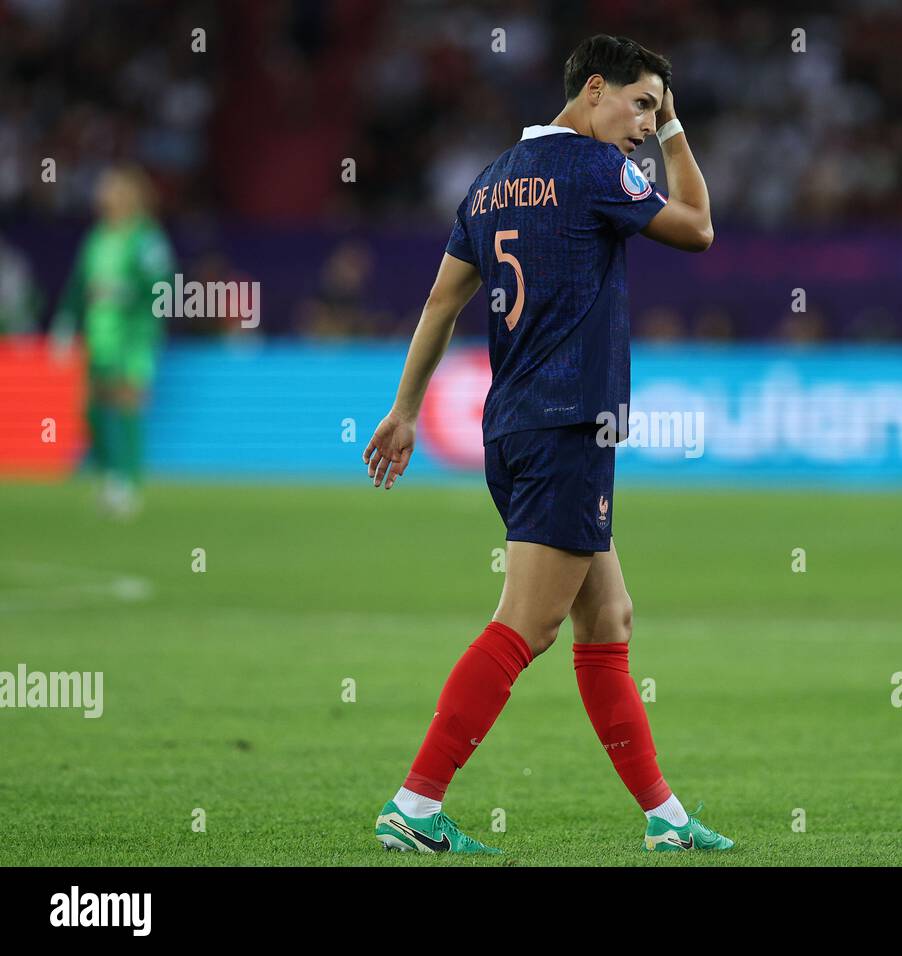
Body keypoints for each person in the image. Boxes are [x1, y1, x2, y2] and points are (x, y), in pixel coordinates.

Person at [363, 35, 732, 854]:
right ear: (593, 89)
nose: (646, 124)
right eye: (642, 103)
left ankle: (666, 820)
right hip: (569, 425)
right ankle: (415, 804)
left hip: (515, 427)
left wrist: (404, 409)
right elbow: (700, 228)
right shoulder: (596, 172)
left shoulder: (491, 182)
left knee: (609, 617)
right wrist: (679, 133)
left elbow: (438, 303)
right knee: (526, 626)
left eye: (657, 111)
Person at [52, 165, 175, 518]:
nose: (101, 194)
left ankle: (128, 483)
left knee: (127, 400)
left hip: (134, 335)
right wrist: (65, 320)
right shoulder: (97, 237)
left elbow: (163, 286)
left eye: (109, 188)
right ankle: (108, 473)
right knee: (91, 406)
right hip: (99, 333)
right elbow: (79, 284)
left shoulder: (147, 239)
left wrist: (126, 292)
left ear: (129, 195)